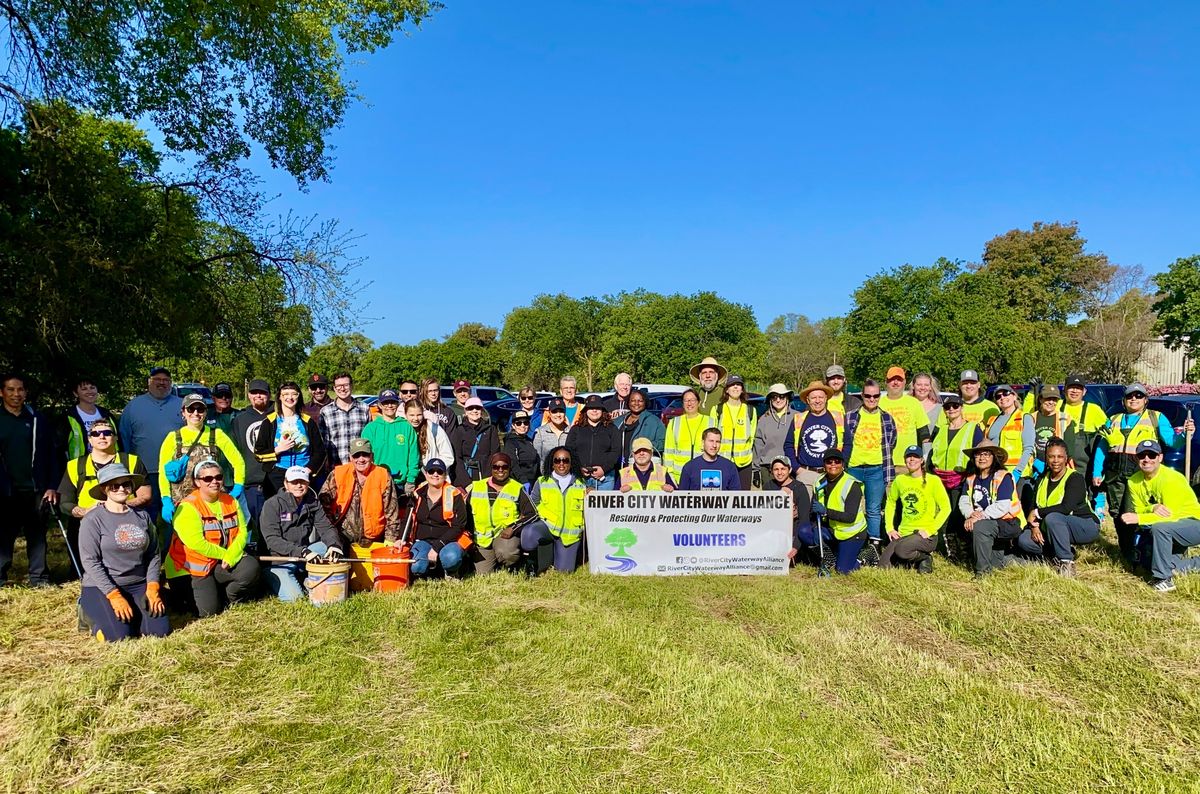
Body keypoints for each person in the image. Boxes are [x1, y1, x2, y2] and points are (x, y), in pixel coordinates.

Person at [1093, 382, 1191, 564]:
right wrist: (1097, 471)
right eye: (1130, 396)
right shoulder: (1113, 420)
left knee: (1138, 513)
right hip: (1115, 474)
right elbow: (1101, 447)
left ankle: (1144, 551)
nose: (1134, 399)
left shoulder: (1156, 418)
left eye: (1138, 396)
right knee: (1118, 514)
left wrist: (1185, 435)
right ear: (1124, 400)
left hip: (1142, 475)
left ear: (1145, 400)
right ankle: (1127, 552)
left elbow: (1172, 442)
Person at [77, 463, 170, 641]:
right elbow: (90, 561)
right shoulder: (92, 519)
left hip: (138, 583)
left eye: (126, 484)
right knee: (120, 637)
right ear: (105, 489)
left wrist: (152, 586)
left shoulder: (142, 516)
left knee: (159, 632)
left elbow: (153, 554)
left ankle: (134, 612)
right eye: (114, 485)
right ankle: (90, 617)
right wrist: (113, 595)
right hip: (102, 587)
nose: (121, 488)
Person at [165, 458, 260, 616]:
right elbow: (196, 544)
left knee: (250, 567)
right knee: (208, 613)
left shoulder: (231, 501)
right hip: (190, 569)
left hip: (218, 563)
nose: (214, 481)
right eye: (207, 478)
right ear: (197, 482)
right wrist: (226, 555)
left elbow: (243, 531)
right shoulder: (188, 507)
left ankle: (229, 597)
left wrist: (233, 554)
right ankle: (174, 597)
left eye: (218, 477)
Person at [58, 417, 151, 575]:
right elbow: (65, 502)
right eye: (96, 434)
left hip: (126, 521)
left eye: (107, 433)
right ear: (89, 439)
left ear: (115, 438)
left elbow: (146, 495)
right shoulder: (74, 465)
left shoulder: (131, 461)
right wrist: (85, 512)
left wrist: (115, 509)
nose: (102, 436)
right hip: (87, 523)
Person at [0, 374, 60, 586]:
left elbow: (52, 454)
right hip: (6, 490)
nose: (16, 394)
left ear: (25, 392)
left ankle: (39, 577)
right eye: (10, 389)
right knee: (4, 535)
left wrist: (52, 485)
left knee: (37, 535)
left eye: (20, 390)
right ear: (2, 392)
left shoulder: (37, 419)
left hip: (36, 489)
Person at [1122, 440, 1200, 592]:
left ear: (1160, 457)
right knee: (1159, 563)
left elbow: (1171, 516)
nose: (1146, 459)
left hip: (1193, 523)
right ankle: (1187, 566)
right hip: (1171, 528)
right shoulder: (1133, 481)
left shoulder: (1172, 479)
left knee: (1160, 528)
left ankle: (1163, 579)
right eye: (1142, 455)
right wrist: (1152, 507)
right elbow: (1139, 509)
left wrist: (1140, 518)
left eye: (1152, 455)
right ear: (1136, 458)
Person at [259, 466, 344, 601]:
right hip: (278, 561)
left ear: (308, 483)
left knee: (326, 547)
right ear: (286, 484)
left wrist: (334, 545)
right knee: (296, 599)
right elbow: (272, 540)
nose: (299, 485)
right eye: (294, 482)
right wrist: (302, 551)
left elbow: (326, 528)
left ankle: (306, 576)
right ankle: (273, 581)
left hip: (303, 555)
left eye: (302, 482)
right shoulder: (272, 504)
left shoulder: (312, 502)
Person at [1022, 437, 1099, 578]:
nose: (1055, 461)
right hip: (1052, 525)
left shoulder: (1075, 478)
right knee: (1024, 540)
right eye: (1051, 456)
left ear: (1066, 459)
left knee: (1053, 518)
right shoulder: (1042, 478)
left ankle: (1066, 563)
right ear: (1046, 458)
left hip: (1085, 525)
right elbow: (1034, 505)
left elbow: (1065, 508)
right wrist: (1034, 526)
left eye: (1059, 457)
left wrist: (1037, 513)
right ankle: (1055, 555)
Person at [469, 452, 551, 575]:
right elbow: (466, 514)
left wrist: (513, 528)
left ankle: (513, 564)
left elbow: (533, 514)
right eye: (496, 467)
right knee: (483, 574)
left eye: (504, 467)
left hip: (504, 536)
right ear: (491, 468)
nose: (500, 470)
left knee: (508, 553)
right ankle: (494, 561)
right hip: (482, 538)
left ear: (509, 468)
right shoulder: (476, 487)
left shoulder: (517, 488)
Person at [118, 366, 183, 518]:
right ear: (149, 382)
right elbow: (124, 437)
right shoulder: (133, 406)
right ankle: (149, 542)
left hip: (176, 471)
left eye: (166, 380)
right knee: (145, 515)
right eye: (157, 379)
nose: (162, 383)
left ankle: (172, 542)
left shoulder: (182, 405)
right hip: (145, 472)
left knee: (178, 515)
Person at [319, 438, 403, 552]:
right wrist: (331, 534)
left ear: (372, 456)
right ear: (350, 457)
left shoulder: (383, 476)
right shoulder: (337, 474)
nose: (361, 459)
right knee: (320, 551)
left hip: (372, 539)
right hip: (341, 536)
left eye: (365, 455)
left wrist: (390, 541)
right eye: (356, 455)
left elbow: (392, 513)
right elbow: (322, 506)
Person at [842, 379, 897, 544]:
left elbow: (892, 442)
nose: (872, 399)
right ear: (862, 395)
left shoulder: (887, 418)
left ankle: (873, 543)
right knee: (851, 508)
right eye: (868, 396)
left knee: (873, 509)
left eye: (875, 396)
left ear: (880, 396)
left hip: (876, 469)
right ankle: (853, 541)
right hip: (853, 469)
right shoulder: (850, 417)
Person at [929, 394, 983, 562]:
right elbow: (933, 453)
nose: (951, 409)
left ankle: (966, 552)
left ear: (962, 408)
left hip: (961, 479)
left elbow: (979, 454)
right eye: (948, 407)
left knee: (959, 516)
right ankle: (951, 553)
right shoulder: (941, 429)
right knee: (944, 516)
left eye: (955, 406)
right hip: (940, 480)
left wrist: (972, 476)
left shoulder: (973, 428)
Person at [252, 381, 326, 499]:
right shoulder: (269, 422)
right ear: (280, 397)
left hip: (303, 473)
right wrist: (278, 449)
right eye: (285, 394)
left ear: (299, 396)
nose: (289, 398)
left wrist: (308, 470)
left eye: (294, 394)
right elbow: (259, 454)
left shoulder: (308, 422)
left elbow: (320, 452)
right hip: (278, 475)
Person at [881, 446, 949, 572]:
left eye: (915, 456)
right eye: (908, 457)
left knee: (901, 550)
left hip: (924, 534)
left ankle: (925, 558)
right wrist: (889, 528)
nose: (911, 459)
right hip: (904, 533)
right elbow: (891, 502)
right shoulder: (900, 480)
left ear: (922, 460)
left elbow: (946, 508)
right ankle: (912, 558)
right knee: (884, 566)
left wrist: (930, 530)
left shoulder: (933, 480)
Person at [960, 445, 1024, 577]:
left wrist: (979, 517)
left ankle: (982, 573)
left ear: (994, 457)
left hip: (1009, 522)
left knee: (980, 527)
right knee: (996, 565)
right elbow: (964, 501)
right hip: (988, 522)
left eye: (986, 454)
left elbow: (1002, 506)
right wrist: (970, 514)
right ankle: (1010, 560)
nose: (982, 458)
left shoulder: (1003, 476)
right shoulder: (971, 478)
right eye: (978, 454)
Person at [408, 458, 471, 579]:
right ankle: (432, 571)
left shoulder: (455, 494)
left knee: (451, 558)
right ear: (426, 474)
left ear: (445, 475)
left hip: (449, 540)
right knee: (417, 567)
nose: (435, 474)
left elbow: (459, 526)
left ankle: (452, 571)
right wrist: (401, 539)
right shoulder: (417, 493)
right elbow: (408, 519)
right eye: (431, 471)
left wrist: (437, 547)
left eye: (439, 471)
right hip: (423, 540)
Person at [530, 447, 588, 572]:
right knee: (529, 536)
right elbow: (533, 504)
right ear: (552, 463)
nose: (561, 464)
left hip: (568, 535)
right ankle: (546, 550)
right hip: (547, 527)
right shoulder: (542, 481)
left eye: (565, 460)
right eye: (557, 460)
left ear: (571, 463)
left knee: (564, 571)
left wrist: (591, 494)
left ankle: (559, 553)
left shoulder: (582, 484)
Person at [812, 448, 868, 574]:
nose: (833, 464)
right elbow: (814, 506)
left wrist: (825, 511)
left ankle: (865, 556)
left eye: (837, 461)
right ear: (824, 465)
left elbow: (850, 517)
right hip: (833, 529)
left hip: (852, 532)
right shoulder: (819, 482)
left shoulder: (852, 485)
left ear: (843, 464)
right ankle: (832, 558)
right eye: (829, 462)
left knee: (842, 571)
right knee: (806, 532)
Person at [784, 381, 844, 494]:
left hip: (832, 473)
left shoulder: (838, 417)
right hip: (806, 474)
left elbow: (847, 444)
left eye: (821, 397)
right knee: (805, 511)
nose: (817, 401)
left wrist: (841, 467)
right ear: (808, 400)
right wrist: (797, 469)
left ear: (826, 398)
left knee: (832, 510)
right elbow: (788, 445)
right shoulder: (799, 419)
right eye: (814, 398)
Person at [360, 389, 420, 495]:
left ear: (397, 404)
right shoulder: (371, 428)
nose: (389, 406)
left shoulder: (406, 427)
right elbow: (364, 457)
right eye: (385, 403)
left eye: (392, 402)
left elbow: (413, 456)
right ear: (379, 405)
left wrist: (411, 479)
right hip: (377, 482)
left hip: (402, 483)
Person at [230, 379, 273, 526]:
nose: (258, 395)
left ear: (269, 395)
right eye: (254, 392)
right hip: (252, 483)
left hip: (277, 481)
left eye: (263, 392)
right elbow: (235, 452)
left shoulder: (280, 415)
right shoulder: (240, 420)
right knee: (254, 524)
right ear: (248, 395)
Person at [766, 455, 818, 566]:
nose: (779, 473)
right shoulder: (768, 486)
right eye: (776, 469)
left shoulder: (799, 487)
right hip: (775, 529)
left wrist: (795, 546)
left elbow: (804, 519)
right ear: (771, 471)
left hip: (794, 528)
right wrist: (779, 494)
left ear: (789, 470)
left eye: (783, 469)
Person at [1026, 385, 1084, 479]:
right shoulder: (1031, 418)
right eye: (1047, 399)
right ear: (1040, 399)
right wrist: (1035, 463)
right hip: (1034, 468)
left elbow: (1069, 449)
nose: (1051, 402)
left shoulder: (1065, 419)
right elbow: (1025, 444)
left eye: (1054, 399)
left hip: (1057, 468)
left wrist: (1053, 465)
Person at [710, 374, 757, 490]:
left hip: (744, 463)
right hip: (722, 461)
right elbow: (711, 437)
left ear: (742, 389)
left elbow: (752, 437)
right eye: (732, 385)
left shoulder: (750, 410)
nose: (735, 388)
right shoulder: (717, 409)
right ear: (726, 389)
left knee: (742, 500)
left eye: (738, 385)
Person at [880, 367, 932, 469]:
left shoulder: (913, 403)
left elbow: (924, 434)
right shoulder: (879, 403)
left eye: (899, 380)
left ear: (904, 382)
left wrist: (926, 457)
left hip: (909, 462)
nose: (895, 383)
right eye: (892, 379)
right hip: (883, 462)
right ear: (886, 382)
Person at [566, 394, 621, 490]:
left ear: (602, 410)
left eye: (598, 408)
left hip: (605, 479)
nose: (594, 410)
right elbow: (569, 451)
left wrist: (604, 469)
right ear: (585, 411)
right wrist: (579, 468)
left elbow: (616, 451)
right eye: (591, 408)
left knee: (604, 505)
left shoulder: (611, 429)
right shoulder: (576, 429)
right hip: (580, 477)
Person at [58, 377, 119, 461]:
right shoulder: (68, 417)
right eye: (84, 389)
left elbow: (117, 441)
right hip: (80, 468)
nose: (89, 391)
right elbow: (59, 448)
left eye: (92, 388)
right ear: (76, 393)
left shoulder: (107, 414)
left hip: (109, 466)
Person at [985, 385, 1034, 489]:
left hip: (1018, 475)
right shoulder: (992, 420)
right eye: (998, 396)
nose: (1002, 397)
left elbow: (1028, 448)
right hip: (995, 472)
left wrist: (1018, 471)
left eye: (1006, 393)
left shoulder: (1024, 417)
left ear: (1014, 396)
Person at [662, 389, 715, 484]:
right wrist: (669, 474)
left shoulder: (710, 421)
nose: (689, 403)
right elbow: (668, 451)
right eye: (686, 400)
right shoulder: (674, 423)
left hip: (704, 475)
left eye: (692, 400)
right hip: (679, 476)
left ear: (699, 402)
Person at [318, 372, 371, 466]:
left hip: (361, 466)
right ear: (334, 388)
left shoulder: (364, 408)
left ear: (351, 386)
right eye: (338, 386)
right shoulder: (325, 412)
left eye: (346, 385)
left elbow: (369, 439)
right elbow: (323, 444)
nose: (342, 389)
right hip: (336, 467)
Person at [753, 384, 799, 489]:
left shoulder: (797, 417)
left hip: (791, 467)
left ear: (787, 398)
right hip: (768, 468)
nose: (778, 400)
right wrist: (755, 470)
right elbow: (758, 446)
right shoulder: (763, 419)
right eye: (774, 397)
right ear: (770, 400)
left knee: (791, 502)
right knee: (769, 503)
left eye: (781, 396)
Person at [1060, 374, 1109, 471]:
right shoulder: (1055, 406)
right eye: (1071, 387)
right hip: (1057, 464)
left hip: (1082, 469)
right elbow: (1030, 418)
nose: (1074, 391)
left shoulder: (1094, 409)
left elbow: (1109, 432)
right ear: (1064, 389)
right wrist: (1032, 393)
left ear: (1084, 392)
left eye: (1078, 388)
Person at [451, 396, 501, 488]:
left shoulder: (491, 429)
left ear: (481, 410)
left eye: (477, 408)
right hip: (465, 476)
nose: (474, 410)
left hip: (486, 475)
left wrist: (487, 478)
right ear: (465, 411)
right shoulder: (459, 430)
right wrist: (465, 481)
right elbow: (457, 457)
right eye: (470, 408)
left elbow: (494, 454)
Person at [614, 389, 666, 468]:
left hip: (641, 468)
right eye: (633, 400)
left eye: (640, 401)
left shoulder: (655, 422)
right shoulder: (619, 420)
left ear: (645, 402)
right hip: (619, 466)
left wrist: (646, 445)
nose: (636, 403)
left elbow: (663, 443)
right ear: (628, 402)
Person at [404, 400, 454, 472]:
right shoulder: (402, 430)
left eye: (419, 415)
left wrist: (434, 469)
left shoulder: (434, 429)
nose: (415, 419)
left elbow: (448, 456)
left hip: (431, 475)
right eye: (411, 415)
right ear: (405, 414)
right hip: (409, 475)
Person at [502, 411, 540, 485]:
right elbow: (513, 464)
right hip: (518, 482)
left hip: (533, 481)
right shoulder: (510, 442)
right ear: (513, 426)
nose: (523, 425)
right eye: (518, 423)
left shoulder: (529, 441)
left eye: (526, 422)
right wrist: (524, 481)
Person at [533, 399, 572, 468]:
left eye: (561, 411)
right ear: (549, 413)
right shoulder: (540, 432)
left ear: (565, 413)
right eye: (554, 412)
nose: (558, 415)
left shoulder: (572, 431)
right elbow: (537, 458)